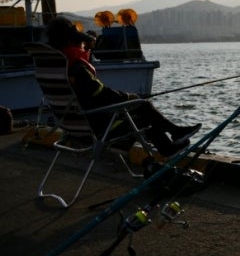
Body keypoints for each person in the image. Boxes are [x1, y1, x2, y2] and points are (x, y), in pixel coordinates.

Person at [46, 17, 201, 157]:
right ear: (71, 43)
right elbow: (103, 95)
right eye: (82, 44)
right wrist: (130, 98)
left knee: (140, 106)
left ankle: (173, 136)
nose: (85, 48)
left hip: (75, 128)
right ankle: (170, 142)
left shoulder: (57, 67)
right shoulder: (78, 69)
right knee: (143, 108)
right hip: (100, 128)